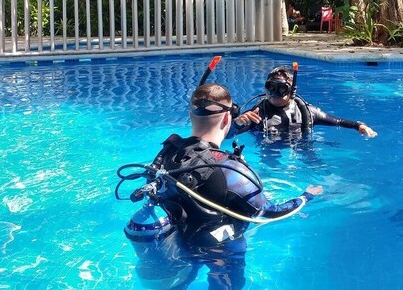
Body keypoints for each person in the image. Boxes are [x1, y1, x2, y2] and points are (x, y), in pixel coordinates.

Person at [136, 82, 323, 289]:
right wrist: (306, 197)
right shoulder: (229, 169)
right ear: (227, 118)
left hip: (176, 246)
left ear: (190, 115)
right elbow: (270, 212)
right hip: (221, 251)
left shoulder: (167, 152)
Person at [234, 66, 378, 138]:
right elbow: (228, 134)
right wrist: (237, 123)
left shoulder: (308, 112)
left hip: (300, 152)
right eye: (271, 87)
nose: (275, 93)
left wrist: (358, 125)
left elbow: (338, 121)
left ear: (292, 90)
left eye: (282, 88)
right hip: (268, 155)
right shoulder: (256, 113)